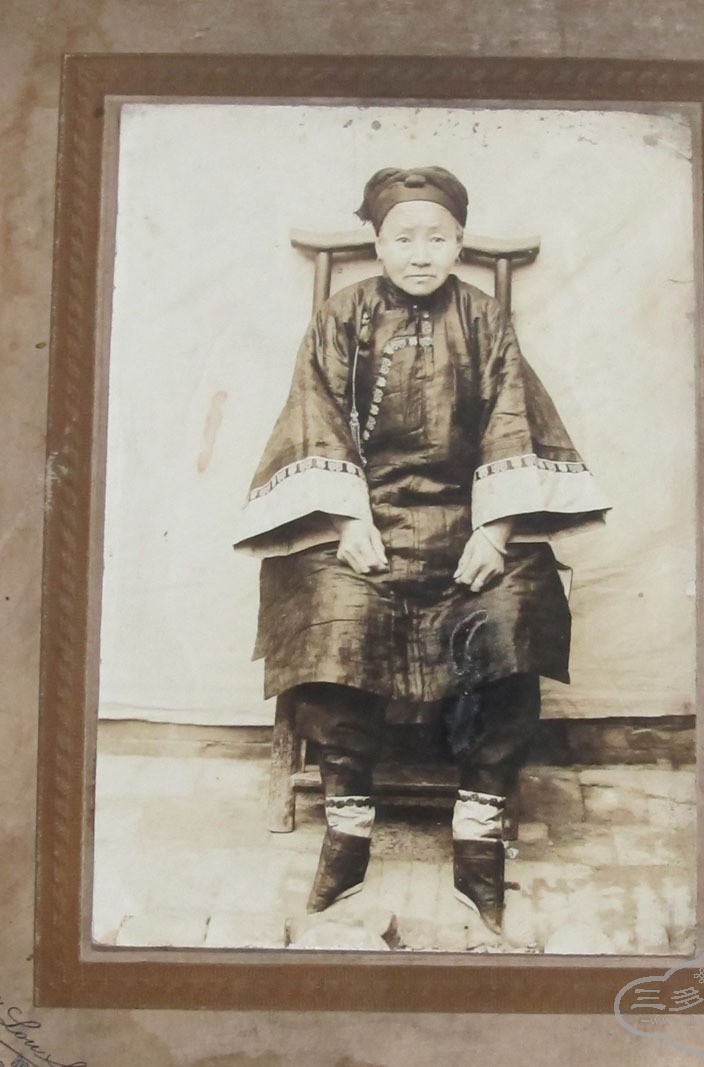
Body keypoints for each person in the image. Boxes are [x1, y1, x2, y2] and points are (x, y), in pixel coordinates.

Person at [234, 166, 610, 936]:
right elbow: (315, 418)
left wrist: (495, 531)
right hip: (364, 521)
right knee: (331, 614)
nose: (420, 253)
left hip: (466, 522)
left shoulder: (484, 320)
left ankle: (478, 829)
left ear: (458, 244)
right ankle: (347, 826)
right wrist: (346, 521)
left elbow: (513, 420)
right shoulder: (342, 316)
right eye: (403, 238)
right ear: (377, 242)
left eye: (437, 238)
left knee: (513, 608)